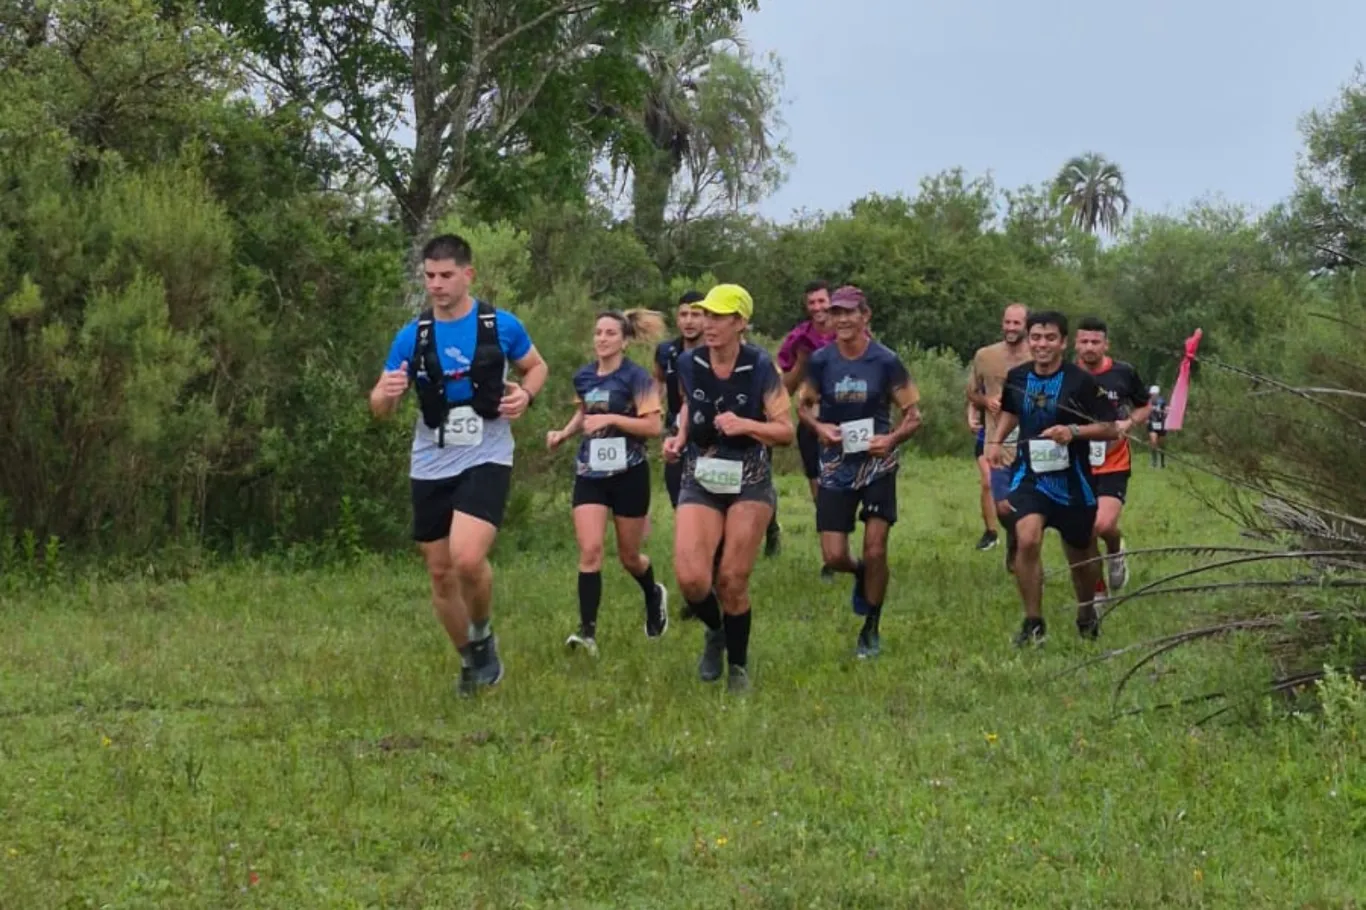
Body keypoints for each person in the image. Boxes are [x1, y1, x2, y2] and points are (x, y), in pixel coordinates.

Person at [369, 233, 548, 694]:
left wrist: (525, 394)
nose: (436, 285)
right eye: (429, 276)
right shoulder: (413, 335)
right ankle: (470, 661)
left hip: (487, 450)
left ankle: (483, 632)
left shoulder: (500, 325)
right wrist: (384, 397)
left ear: (468, 274)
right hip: (431, 457)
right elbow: (379, 404)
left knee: (467, 557)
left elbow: (537, 366)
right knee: (439, 571)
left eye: (446, 275)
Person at [664, 283, 794, 692]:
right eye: (706, 315)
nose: (708, 324)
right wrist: (679, 438)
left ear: (741, 323)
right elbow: (689, 407)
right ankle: (716, 630)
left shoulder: (760, 367)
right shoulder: (688, 362)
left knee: (732, 580)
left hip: (749, 477)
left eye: (719, 317)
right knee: (691, 580)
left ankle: (737, 667)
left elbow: (785, 430)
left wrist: (747, 425)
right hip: (701, 474)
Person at [797, 286, 922, 658]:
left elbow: (914, 416)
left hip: (877, 463)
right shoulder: (821, 360)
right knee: (835, 555)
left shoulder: (886, 361)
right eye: (837, 313)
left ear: (866, 316)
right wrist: (820, 429)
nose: (843, 320)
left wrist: (893, 439)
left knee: (875, 547)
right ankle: (861, 576)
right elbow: (803, 406)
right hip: (836, 464)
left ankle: (871, 626)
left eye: (850, 313)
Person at [986, 311, 1119, 647]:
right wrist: (997, 441)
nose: (1041, 344)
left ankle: (1087, 611)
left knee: (1082, 555)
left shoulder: (1080, 381)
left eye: (1049, 338)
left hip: (1073, 481)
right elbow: (1011, 410)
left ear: (1062, 342)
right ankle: (1034, 622)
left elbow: (1110, 428)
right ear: (1029, 340)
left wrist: (1072, 431)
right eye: (1036, 337)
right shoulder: (1017, 376)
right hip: (1031, 475)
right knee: (1027, 538)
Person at [548, 310, 670, 656]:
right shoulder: (584, 376)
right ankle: (587, 634)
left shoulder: (637, 378)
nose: (602, 339)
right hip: (591, 474)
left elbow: (653, 427)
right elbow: (584, 413)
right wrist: (563, 433)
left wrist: (613, 417)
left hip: (629, 473)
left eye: (610, 333)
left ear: (625, 340)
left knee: (630, 556)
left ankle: (652, 592)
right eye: (598, 332)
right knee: (590, 551)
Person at [1073, 317, 1152, 594]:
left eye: (1095, 342)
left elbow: (1144, 406)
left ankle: (1116, 552)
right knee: (1085, 530)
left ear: (1106, 344)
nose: (1089, 347)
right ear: (1075, 344)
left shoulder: (1123, 372)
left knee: (1103, 525)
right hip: (1076, 462)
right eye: (1084, 341)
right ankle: (1097, 590)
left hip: (1113, 460)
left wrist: (1129, 423)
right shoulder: (1065, 374)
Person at [967, 303, 1032, 568]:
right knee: (999, 500)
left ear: (1026, 325)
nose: (1010, 328)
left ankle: (1023, 546)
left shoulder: (1037, 355)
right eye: (1007, 322)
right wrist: (985, 401)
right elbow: (971, 393)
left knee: (1026, 500)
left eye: (1016, 323)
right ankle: (1012, 535)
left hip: (1030, 441)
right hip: (996, 439)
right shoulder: (985, 355)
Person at [654, 291, 706, 510]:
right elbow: (658, 382)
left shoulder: (716, 350)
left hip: (709, 428)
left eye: (696, 314)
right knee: (677, 489)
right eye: (684, 314)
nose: (689, 321)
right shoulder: (666, 351)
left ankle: (771, 529)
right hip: (676, 427)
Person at [969, 396, 999, 551]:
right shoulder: (985, 376)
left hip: (1011, 440)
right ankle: (991, 533)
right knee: (987, 481)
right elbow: (973, 400)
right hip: (984, 438)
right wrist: (971, 418)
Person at [1147, 386, 1169, 467]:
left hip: (1161, 423)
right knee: (1153, 441)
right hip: (1152, 423)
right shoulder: (1148, 401)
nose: (1152, 395)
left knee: (1161, 443)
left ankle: (1162, 461)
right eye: (1151, 394)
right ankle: (1154, 461)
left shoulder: (1162, 401)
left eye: (1153, 394)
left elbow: (1166, 410)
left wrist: (1165, 412)